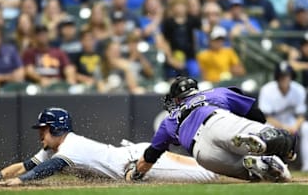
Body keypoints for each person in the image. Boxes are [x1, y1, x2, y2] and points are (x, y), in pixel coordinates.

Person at [0, 107, 217, 186]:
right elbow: (26, 166)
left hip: (140, 163)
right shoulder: (53, 146)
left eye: (43, 129)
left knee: (210, 174)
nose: (40, 134)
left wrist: (19, 182)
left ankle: (255, 169)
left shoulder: (71, 146)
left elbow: (45, 170)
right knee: (208, 170)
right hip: (132, 163)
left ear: (56, 128)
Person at [125, 76, 297, 182]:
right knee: (277, 137)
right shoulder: (216, 93)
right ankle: (262, 146)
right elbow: (257, 115)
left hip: (203, 154)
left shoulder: (169, 119)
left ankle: (260, 164)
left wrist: (135, 174)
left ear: (176, 99)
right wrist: (260, 128)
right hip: (217, 121)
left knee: (251, 173)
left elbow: (150, 156)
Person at [259, 61, 308, 172]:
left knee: (306, 128)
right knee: (263, 129)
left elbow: (301, 115)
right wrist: (283, 127)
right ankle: (264, 166)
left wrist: (295, 126)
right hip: (273, 123)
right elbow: (266, 116)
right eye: (282, 76)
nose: (285, 78)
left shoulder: (299, 89)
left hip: (291, 122)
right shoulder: (267, 90)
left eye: (287, 75)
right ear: (277, 77)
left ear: (291, 76)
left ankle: (307, 166)